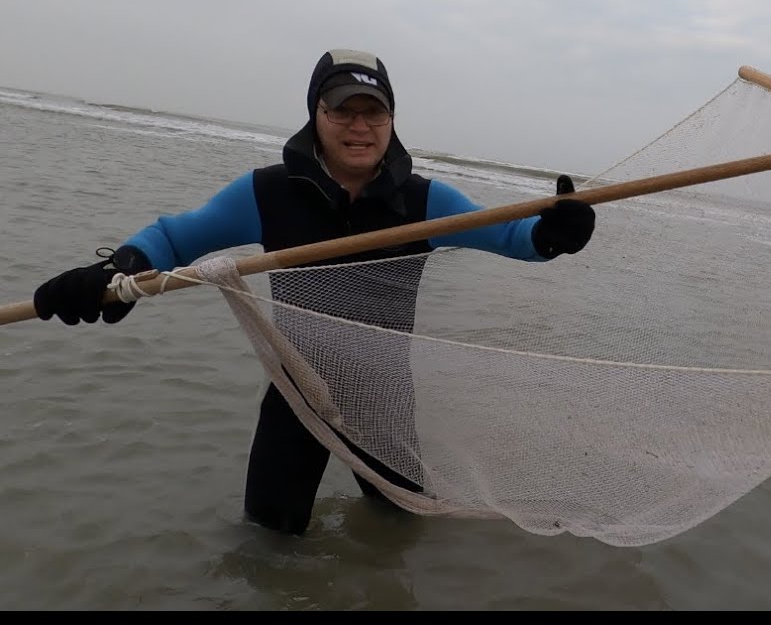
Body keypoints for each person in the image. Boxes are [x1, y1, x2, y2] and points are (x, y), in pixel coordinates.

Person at [32, 48, 596, 535]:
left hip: (382, 399)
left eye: (372, 112)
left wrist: (554, 234)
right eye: (341, 110)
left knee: (398, 532)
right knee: (268, 545)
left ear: (391, 120)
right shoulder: (268, 193)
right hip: (296, 394)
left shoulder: (425, 202)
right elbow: (174, 238)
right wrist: (122, 271)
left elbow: (511, 235)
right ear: (315, 116)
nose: (359, 126)